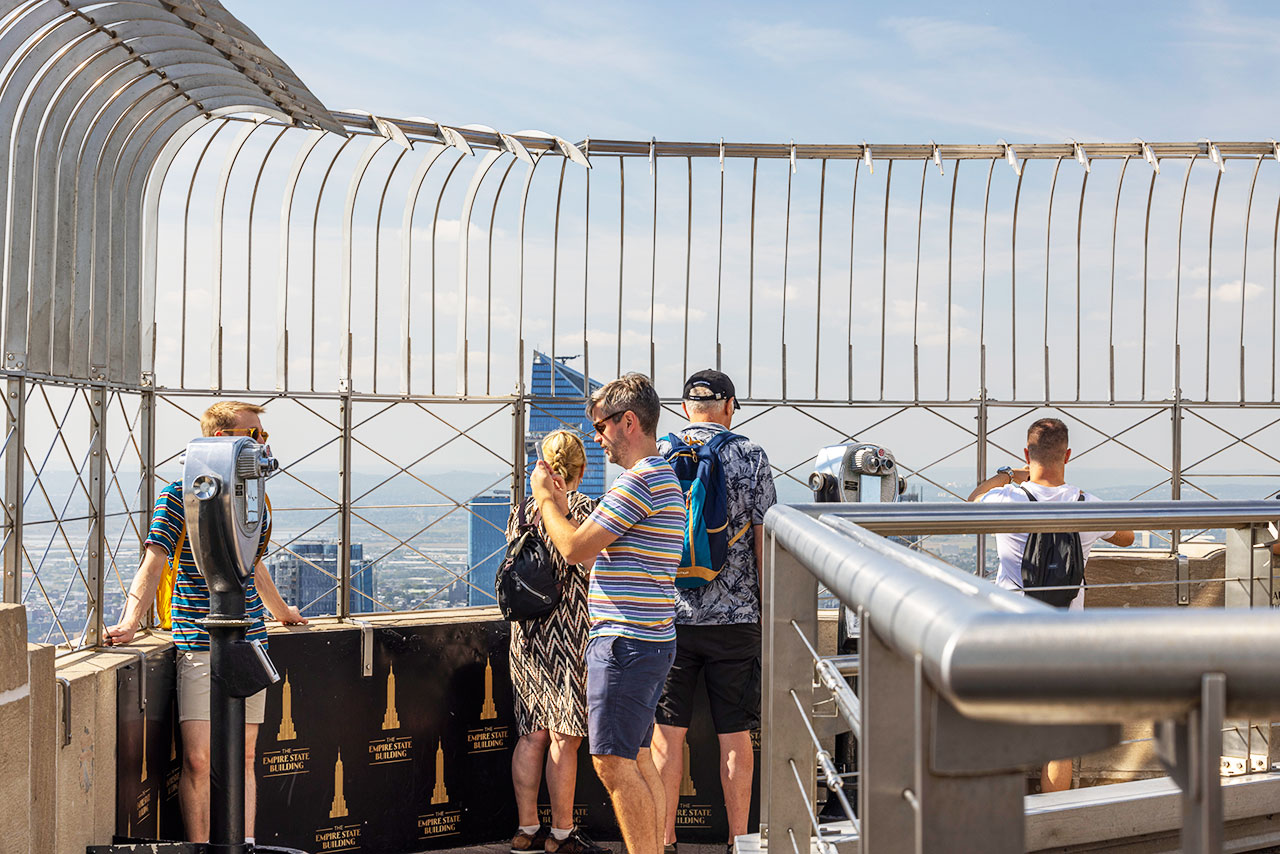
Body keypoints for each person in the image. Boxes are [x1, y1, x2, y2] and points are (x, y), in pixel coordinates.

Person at [104, 401, 306, 844]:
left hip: (250, 638)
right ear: (221, 439)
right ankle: (202, 848)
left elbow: (254, 563)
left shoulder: (256, 495)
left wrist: (280, 612)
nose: (261, 445)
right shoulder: (179, 493)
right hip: (198, 638)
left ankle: (244, 845)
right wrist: (130, 621)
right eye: (254, 436)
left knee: (246, 755)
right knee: (198, 759)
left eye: (263, 438)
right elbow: (153, 560)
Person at [530, 373, 685, 854]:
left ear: (629, 422)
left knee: (613, 764)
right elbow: (602, 550)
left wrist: (541, 496)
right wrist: (561, 503)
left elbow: (575, 549)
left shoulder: (638, 483)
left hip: (625, 642)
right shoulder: (661, 478)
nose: (596, 438)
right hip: (650, 638)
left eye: (600, 425)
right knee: (637, 759)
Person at [967, 416, 1134, 793]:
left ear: (1028, 453)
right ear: (1068, 455)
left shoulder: (1006, 499)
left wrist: (1006, 476)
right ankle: (1053, 826)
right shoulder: (1086, 504)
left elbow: (971, 504)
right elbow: (1127, 536)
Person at [651, 370, 776, 854]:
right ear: (728, 407)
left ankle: (663, 841)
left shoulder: (657, 457)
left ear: (685, 408)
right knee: (735, 736)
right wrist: (765, 612)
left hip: (669, 618)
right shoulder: (751, 456)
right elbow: (764, 541)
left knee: (667, 736)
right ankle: (738, 841)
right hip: (736, 619)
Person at [507, 430, 607, 854]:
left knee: (532, 735)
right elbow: (592, 569)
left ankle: (525, 830)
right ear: (582, 469)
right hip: (570, 634)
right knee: (565, 736)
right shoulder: (588, 510)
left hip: (527, 636)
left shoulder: (523, 511)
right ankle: (561, 835)